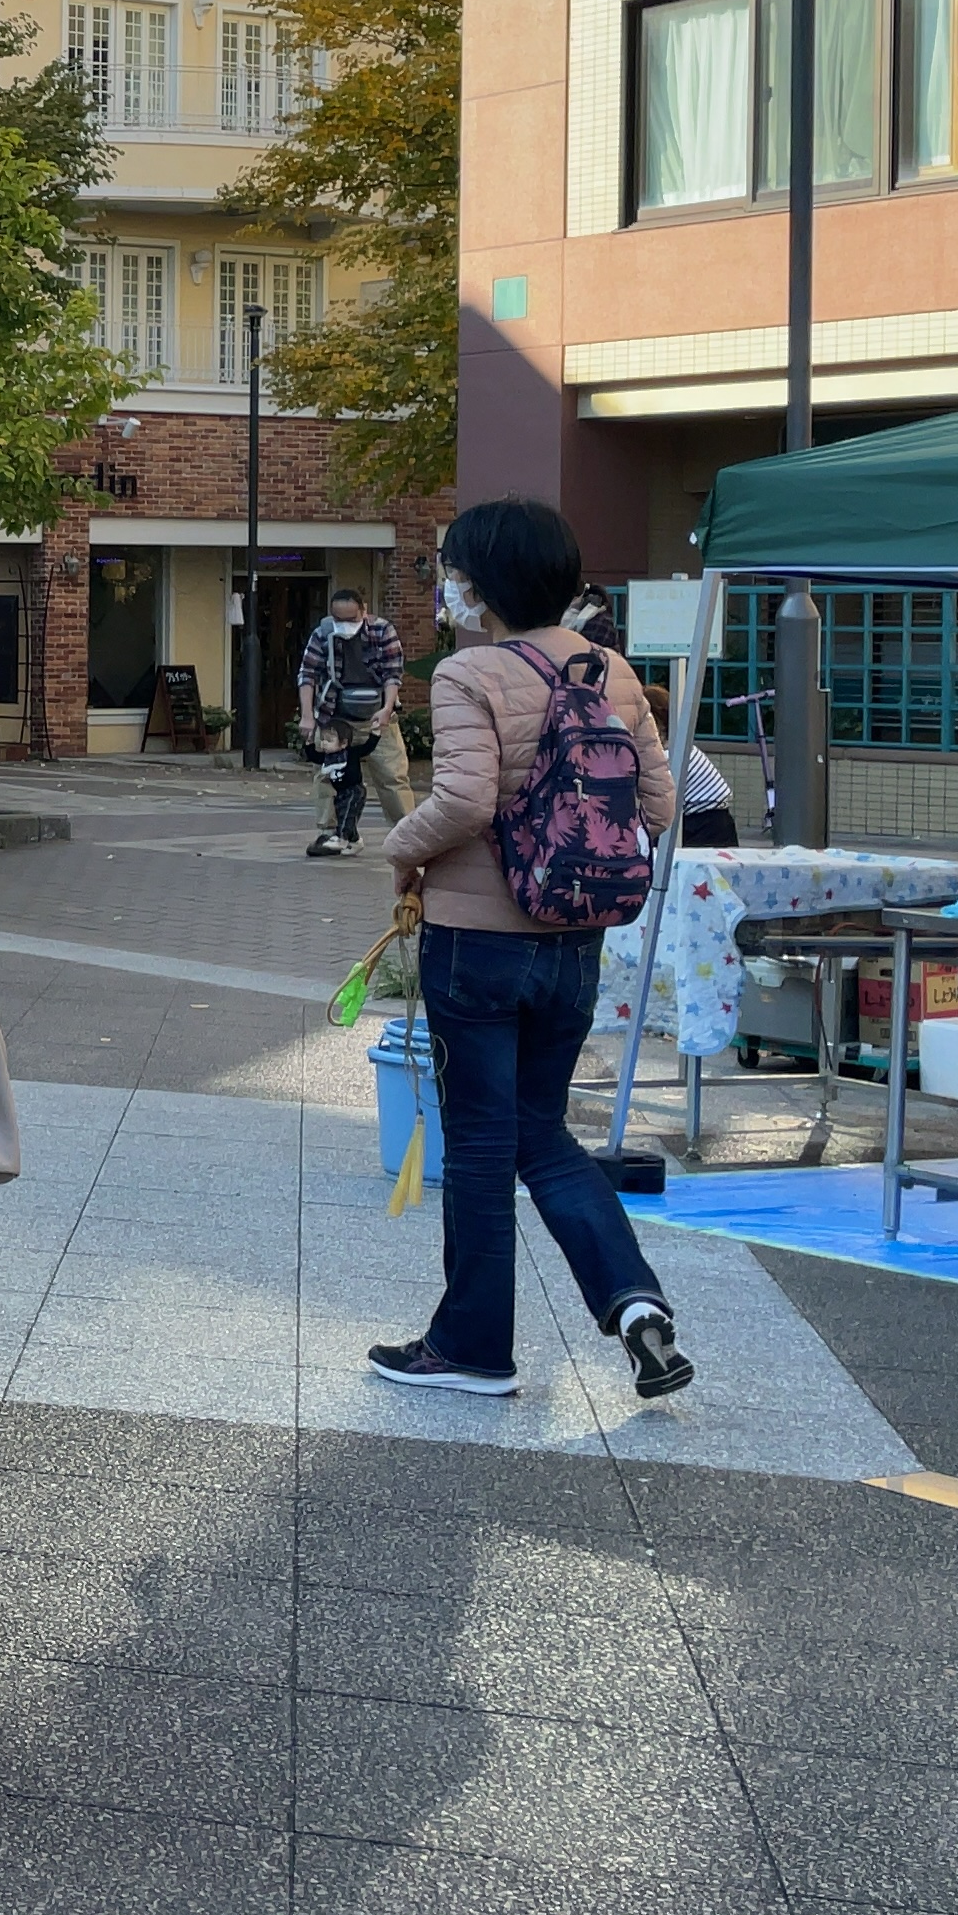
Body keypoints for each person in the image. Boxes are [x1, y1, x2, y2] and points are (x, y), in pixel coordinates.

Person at [376, 497, 696, 1404]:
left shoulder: (468, 671)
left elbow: (464, 800)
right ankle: (635, 1304)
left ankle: (472, 1347)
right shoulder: (612, 671)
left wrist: (399, 850)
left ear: (481, 584)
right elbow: (661, 807)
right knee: (543, 1133)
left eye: (453, 572)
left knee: (481, 1143)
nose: (448, 587)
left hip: (476, 942)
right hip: (576, 940)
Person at [300, 581, 412, 859]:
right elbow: (308, 673)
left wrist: (387, 708)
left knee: (392, 776)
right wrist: (307, 716)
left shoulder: (382, 631)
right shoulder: (323, 633)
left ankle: (408, 833)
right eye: (339, 619)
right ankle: (333, 833)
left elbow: (393, 673)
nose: (345, 625)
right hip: (335, 716)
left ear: (364, 611)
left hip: (377, 714)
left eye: (351, 619)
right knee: (328, 776)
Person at [645, 684, 738, 849]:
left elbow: (658, 798)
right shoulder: (679, 747)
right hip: (711, 819)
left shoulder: (669, 755)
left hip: (703, 822)